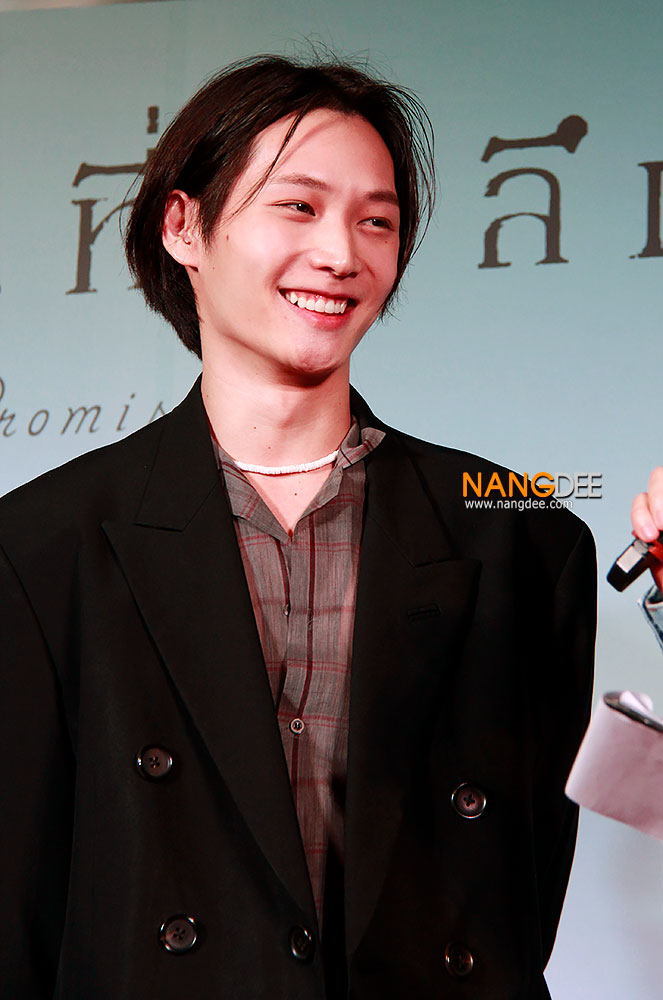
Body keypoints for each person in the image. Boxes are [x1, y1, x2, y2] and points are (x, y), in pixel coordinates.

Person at [0, 56, 597, 999]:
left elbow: (520, 893)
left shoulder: (519, 532)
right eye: (298, 207)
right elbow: (20, 912)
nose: (340, 254)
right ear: (183, 225)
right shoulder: (42, 544)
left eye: (376, 221)